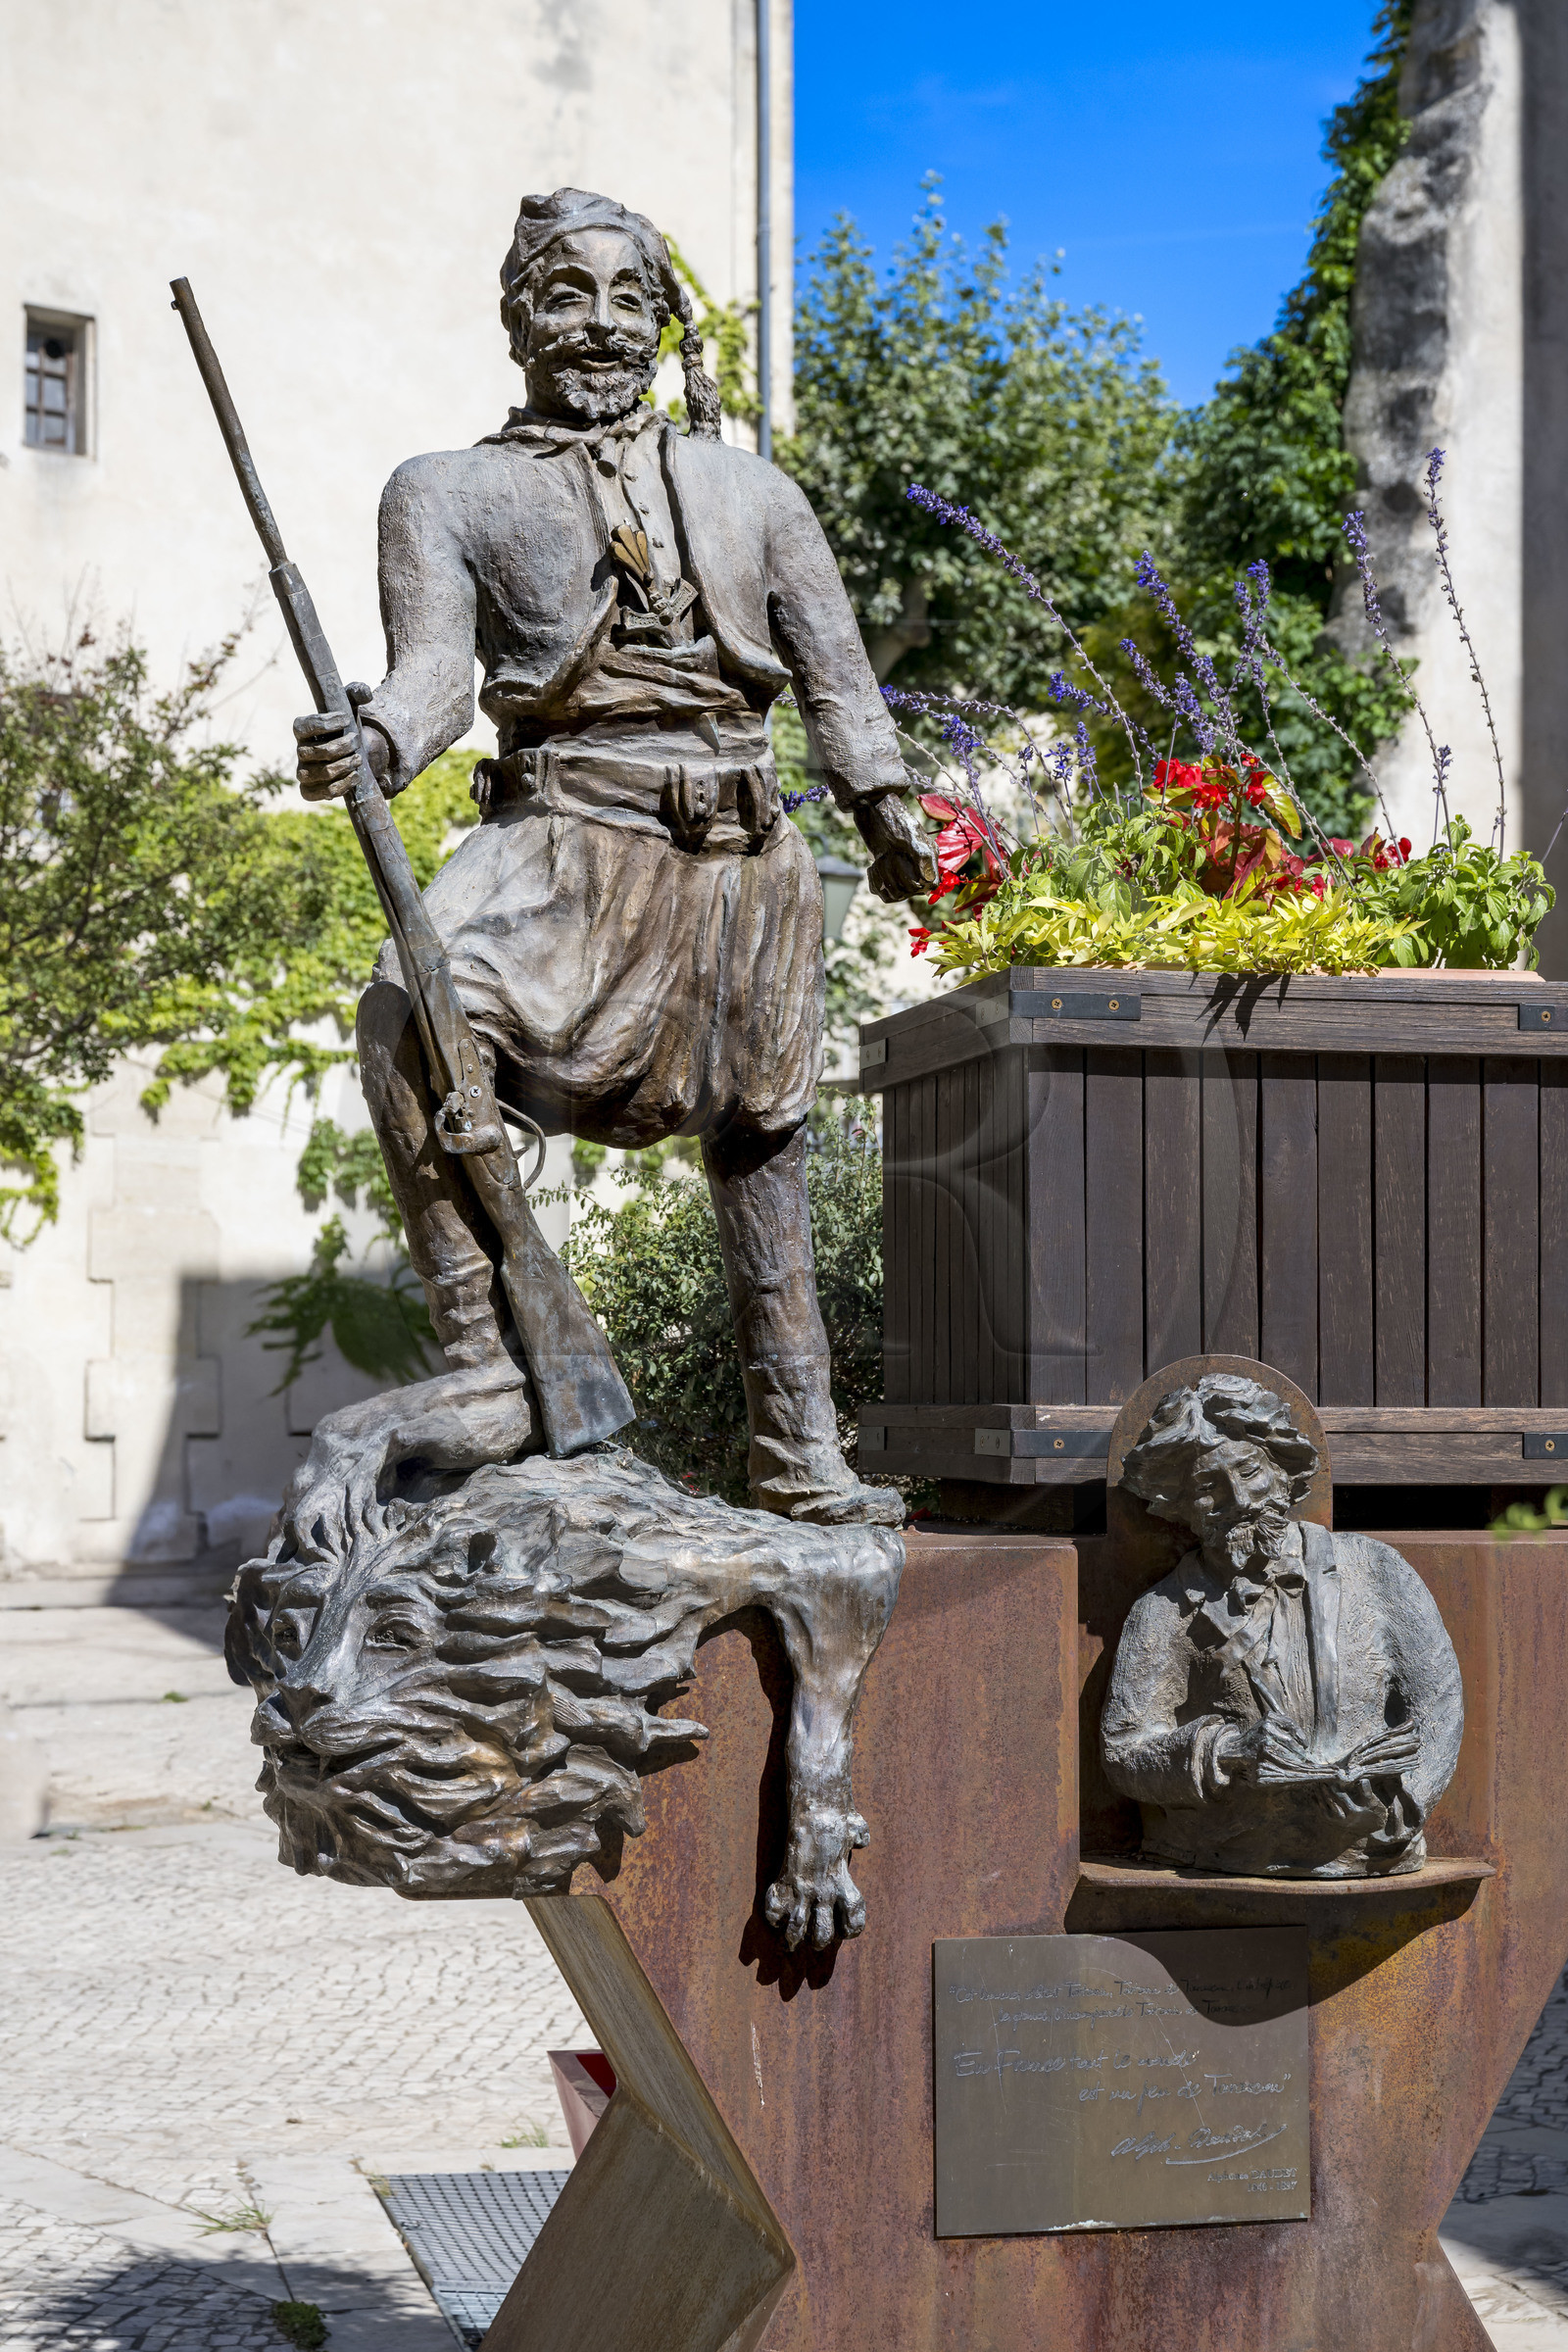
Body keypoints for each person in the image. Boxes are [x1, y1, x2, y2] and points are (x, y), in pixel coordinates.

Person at [290, 187, 933, 1533]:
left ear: (660, 322)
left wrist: (884, 810)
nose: (597, 326)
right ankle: (488, 1368)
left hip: (742, 862)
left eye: (626, 299)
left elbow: (839, 678)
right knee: (415, 1012)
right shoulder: (446, 491)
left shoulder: (752, 489)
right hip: (564, 848)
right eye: (566, 297)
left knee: (764, 1148)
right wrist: (375, 738)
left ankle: (799, 1451)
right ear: (520, 316)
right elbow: (429, 684)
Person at [1101, 1375, 1463, 1878]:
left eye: (1250, 1470)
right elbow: (1124, 1750)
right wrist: (1226, 1750)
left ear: (1282, 1469)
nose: (1241, 1498)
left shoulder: (1375, 1570)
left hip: (1371, 1851)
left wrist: (1396, 1813)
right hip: (1224, 1857)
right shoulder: (1163, 1610)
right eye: (1209, 1487)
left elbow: (1437, 1702)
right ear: (1180, 1506)